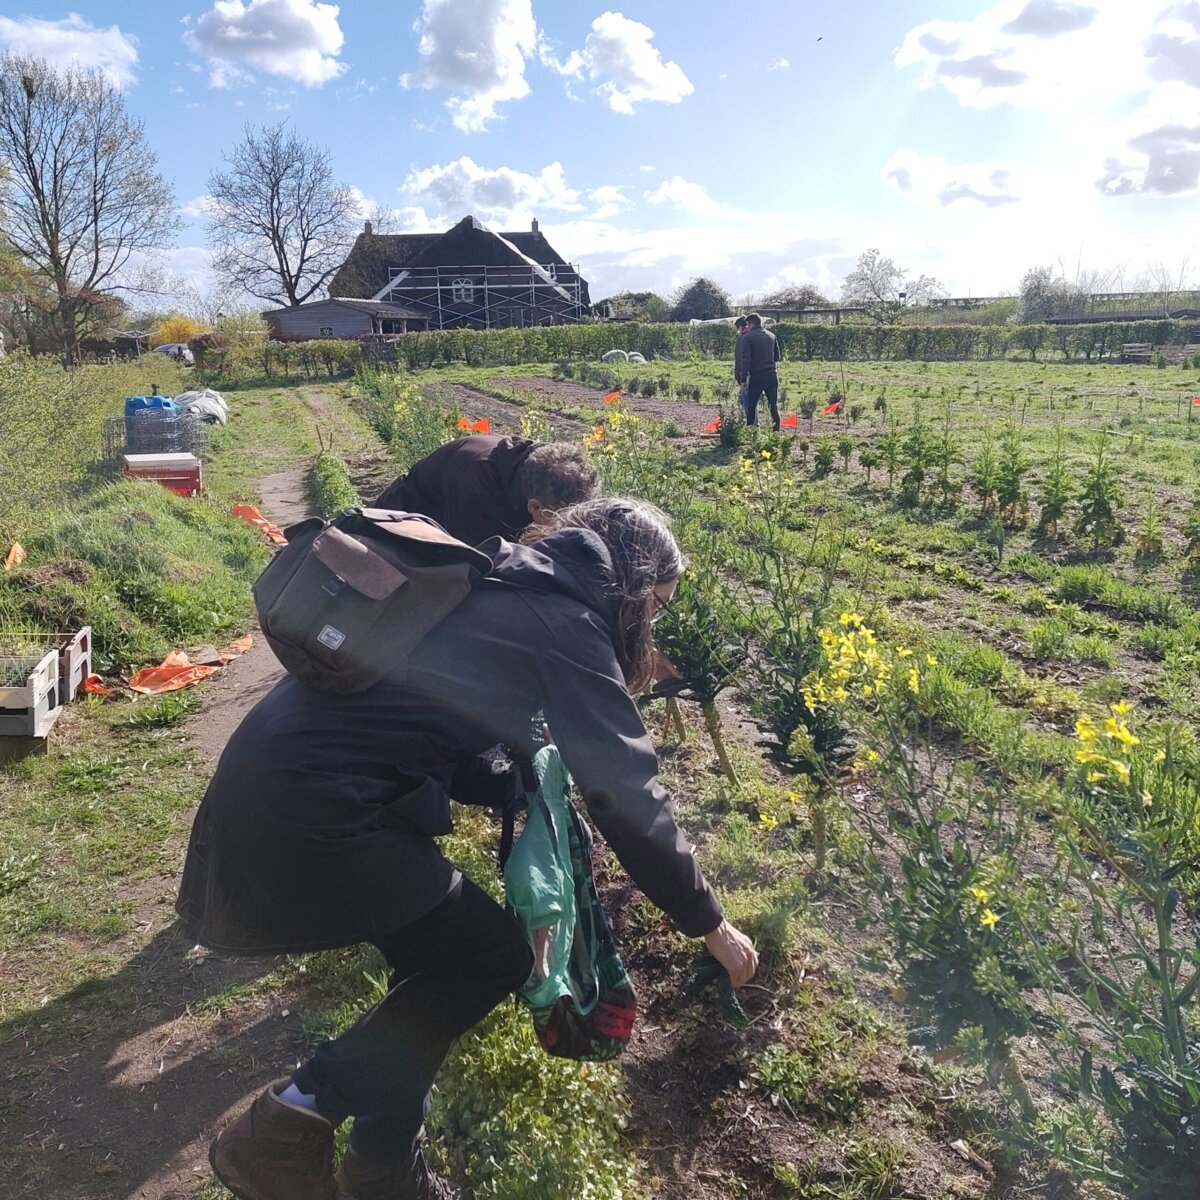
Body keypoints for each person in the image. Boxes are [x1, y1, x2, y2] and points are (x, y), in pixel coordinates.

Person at [178, 497, 758, 1200]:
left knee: (431, 976)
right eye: (656, 606)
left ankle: (385, 1173)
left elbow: (425, 722)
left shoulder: (505, 580)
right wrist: (708, 921)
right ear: (632, 589)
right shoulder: (564, 623)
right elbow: (629, 794)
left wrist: (523, 781)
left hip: (283, 785)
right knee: (489, 957)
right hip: (317, 812)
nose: (653, 625)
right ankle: (287, 1123)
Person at [373, 433, 599, 547]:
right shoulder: (479, 479)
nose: (566, 529)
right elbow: (480, 560)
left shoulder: (538, 468)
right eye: (560, 523)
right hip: (402, 527)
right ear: (534, 506)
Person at [734, 313, 783, 430]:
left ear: (752, 324)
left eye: (747, 325)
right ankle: (776, 434)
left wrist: (743, 379)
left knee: (751, 407)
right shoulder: (772, 336)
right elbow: (777, 357)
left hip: (757, 377)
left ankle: (752, 434)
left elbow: (746, 361)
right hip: (771, 375)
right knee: (773, 407)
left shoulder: (747, 338)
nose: (747, 327)